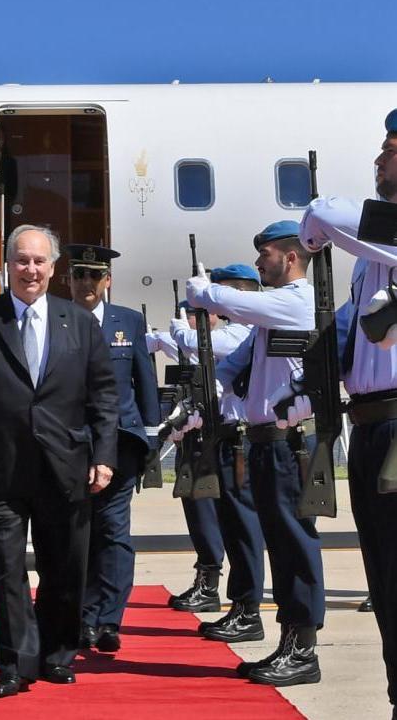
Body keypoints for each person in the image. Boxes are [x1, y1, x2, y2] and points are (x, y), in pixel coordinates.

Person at [0, 225, 119, 698]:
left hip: (65, 467)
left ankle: (58, 653)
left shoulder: (78, 322)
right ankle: (14, 664)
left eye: (39, 261)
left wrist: (104, 454)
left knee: (64, 566)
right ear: (7, 265)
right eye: (21, 260)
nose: (30, 270)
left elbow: (103, 395)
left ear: (53, 268)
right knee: (8, 572)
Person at [185, 220, 324, 687]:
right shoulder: (272, 313)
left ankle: (303, 647)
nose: (260, 262)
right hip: (266, 442)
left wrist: (206, 292)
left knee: (295, 543)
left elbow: (237, 303)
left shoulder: (295, 300)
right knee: (280, 544)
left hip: (289, 445)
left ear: (290, 257)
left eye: (266, 254)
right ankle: (290, 641)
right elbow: (233, 364)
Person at [298, 109, 397, 716]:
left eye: (388, 150)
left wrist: (310, 242)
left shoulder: (384, 230)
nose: (377, 162)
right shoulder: (371, 254)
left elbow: (321, 215)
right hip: (369, 427)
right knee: (384, 581)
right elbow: (346, 336)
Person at [64, 244, 160, 654]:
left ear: (108, 280)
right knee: (76, 532)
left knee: (114, 532)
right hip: (69, 443)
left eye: (94, 275)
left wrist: (152, 436)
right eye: (80, 274)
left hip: (120, 442)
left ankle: (107, 620)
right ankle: (82, 617)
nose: (87, 283)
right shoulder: (55, 318)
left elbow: (144, 380)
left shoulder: (128, 322)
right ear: (68, 279)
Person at [170, 264, 266, 643]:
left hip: (240, 441)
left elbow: (199, 345)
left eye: (222, 294)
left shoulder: (242, 331)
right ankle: (241, 606)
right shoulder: (237, 331)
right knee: (230, 525)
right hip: (222, 437)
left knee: (242, 529)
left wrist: (180, 328)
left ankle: (247, 608)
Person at [147, 307, 226, 612]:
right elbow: (151, 340)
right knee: (198, 512)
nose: (194, 318)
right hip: (190, 439)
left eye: (201, 312)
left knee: (228, 518)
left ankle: (237, 592)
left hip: (220, 439)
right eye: (189, 313)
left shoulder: (228, 339)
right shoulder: (182, 342)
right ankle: (206, 582)